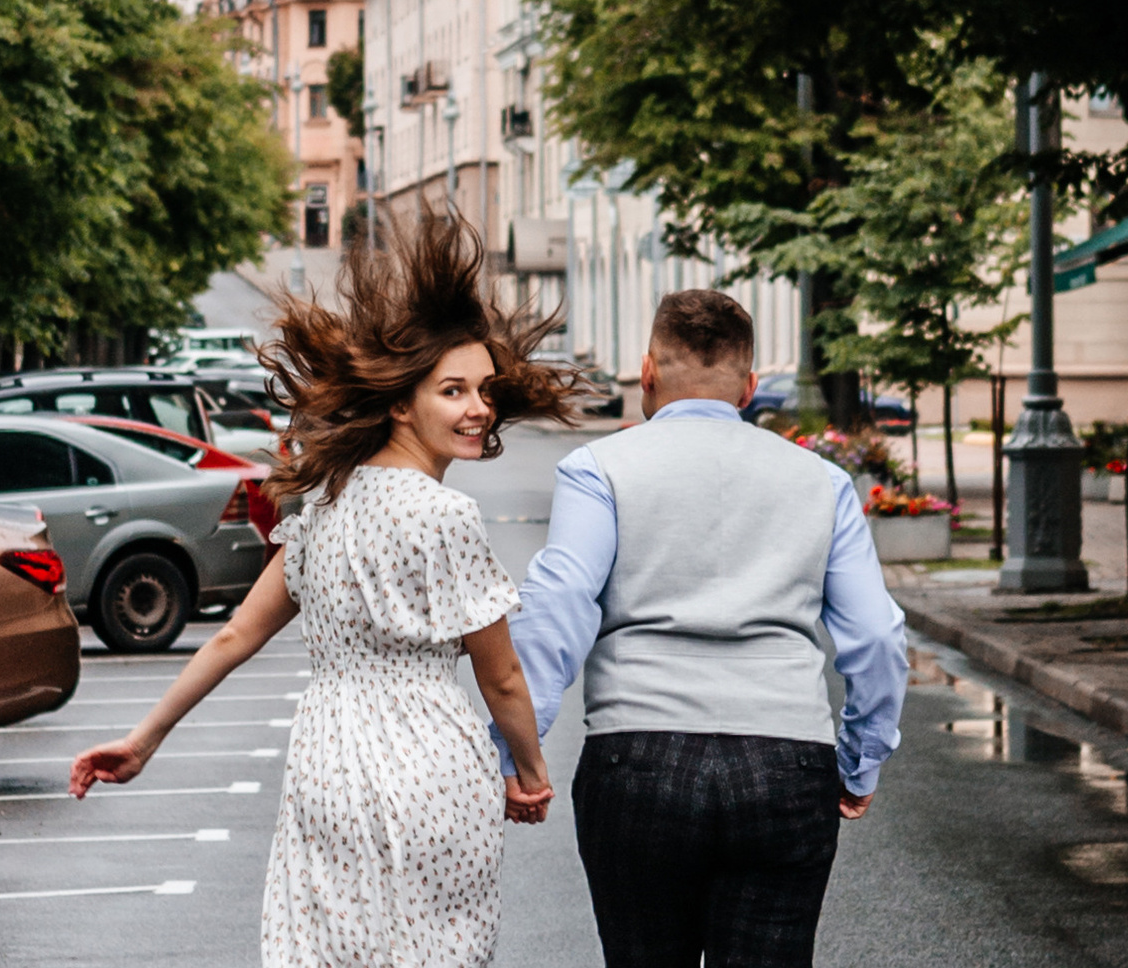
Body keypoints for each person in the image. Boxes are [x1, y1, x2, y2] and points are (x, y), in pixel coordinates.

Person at [68, 212, 582, 968]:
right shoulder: (446, 515)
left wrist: (144, 740)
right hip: (429, 767)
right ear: (402, 403)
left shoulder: (325, 508)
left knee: (331, 951)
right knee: (433, 952)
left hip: (325, 768)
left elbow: (237, 633)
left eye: (485, 390)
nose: (480, 408)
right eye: (454, 391)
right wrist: (531, 775)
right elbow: (500, 674)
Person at [508, 287, 906, 968]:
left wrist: (520, 746)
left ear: (648, 373)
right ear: (749, 386)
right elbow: (876, 636)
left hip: (638, 758)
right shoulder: (822, 482)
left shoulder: (598, 469)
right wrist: (861, 760)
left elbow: (560, 603)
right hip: (786, 760)